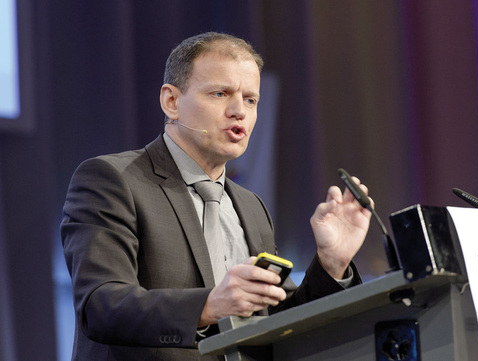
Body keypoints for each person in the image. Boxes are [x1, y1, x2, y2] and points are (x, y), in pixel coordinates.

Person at [61, 32, 373, 361]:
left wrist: (332, 263)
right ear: (171, 101)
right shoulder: (113, 180)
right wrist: (209, 306)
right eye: (220, 93)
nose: (239, 111)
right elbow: (101, 306)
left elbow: (280, 323)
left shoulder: (252, 207)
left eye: (251, 100)